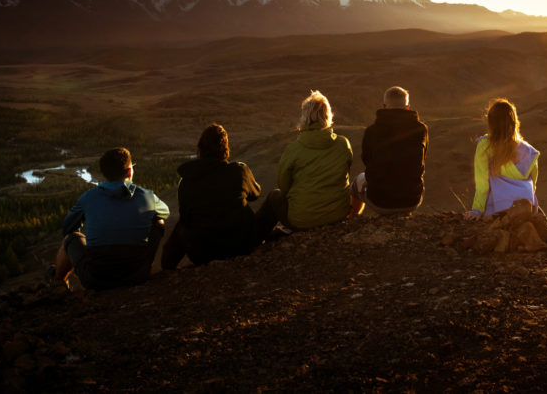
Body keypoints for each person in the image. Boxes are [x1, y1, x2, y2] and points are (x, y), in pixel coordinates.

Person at [46, 147, 169, 290]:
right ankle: (143, 266)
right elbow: (164, 213)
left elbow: (67, 228)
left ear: (104, 174)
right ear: (129, 171)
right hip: (137, 276)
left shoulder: (88, 197)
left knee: (71, 238)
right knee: (159, 221)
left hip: (95, 280)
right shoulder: (147, 195)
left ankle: (57, 282)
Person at [160, 124, 262, 270]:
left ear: (200, 149)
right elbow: (255, 194)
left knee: (181, 225)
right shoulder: (238, 171)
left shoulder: (186, 181)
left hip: (202, 253)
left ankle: (166, 269)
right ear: (225, 149)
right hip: (240, 246)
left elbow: (186, 217)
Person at [255, 91, 353, 240]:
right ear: (328, 116)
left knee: (274, 196)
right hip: (338, 214)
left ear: (305, 117)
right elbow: (346, 172)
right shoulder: (343, 143)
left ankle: (254, 241)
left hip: (302, 220)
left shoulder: (294, 149)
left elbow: (283, 186)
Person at [351, 86, 428, 215]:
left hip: (379, 201)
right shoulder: (421, 130)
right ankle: (404, 214)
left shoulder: (372, 131)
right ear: (407, 106)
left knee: (355, 184)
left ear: (384, 106)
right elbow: (422, 157)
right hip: (412, 199)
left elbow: (367, 161)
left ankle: (351, 220)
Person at [464, 99, 540, 220]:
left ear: (491, 123)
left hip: (499, 207)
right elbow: (533, 183)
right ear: (514, 122)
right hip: (527, 207)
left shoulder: (485, 145)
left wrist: (477, 210)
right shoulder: (530, 151)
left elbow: (482, 184)